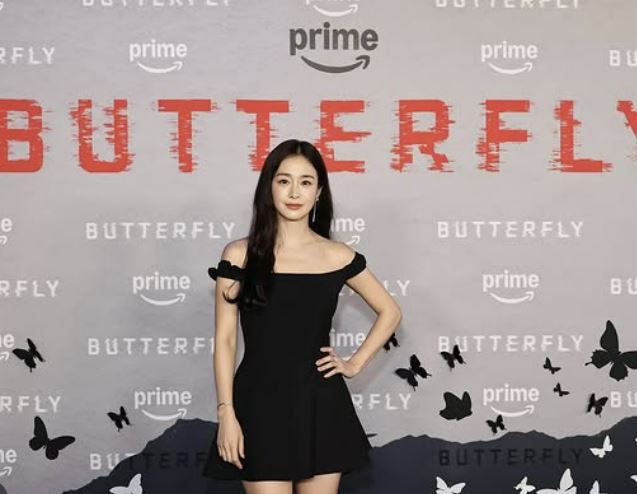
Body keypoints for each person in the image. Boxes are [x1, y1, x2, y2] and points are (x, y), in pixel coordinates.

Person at [201, 139, 402, 494]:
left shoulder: (337, 255)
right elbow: (226, 340)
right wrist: (226, 413)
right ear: (269, 187)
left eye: (306, 182)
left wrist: (354, 364)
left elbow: (390, 311)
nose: (295, 192)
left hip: (320, 405)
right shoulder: (239, 255)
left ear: (319, 191)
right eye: (284, 181)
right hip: (258, 405)